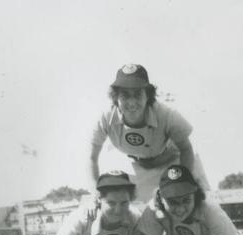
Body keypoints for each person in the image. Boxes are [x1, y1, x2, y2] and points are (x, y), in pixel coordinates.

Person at [88, 63, 209, 203]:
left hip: (174, 160)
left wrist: (182, 183)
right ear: (115, 97)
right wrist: (94, 189)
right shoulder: (106, 117)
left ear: (148, 96)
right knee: (136, 212)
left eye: (138, 94)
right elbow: (91, 157)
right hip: (138, 166)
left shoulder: (166, 114)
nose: (132, 102)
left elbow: (186, 149)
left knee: (199, 204)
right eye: (125, 95)